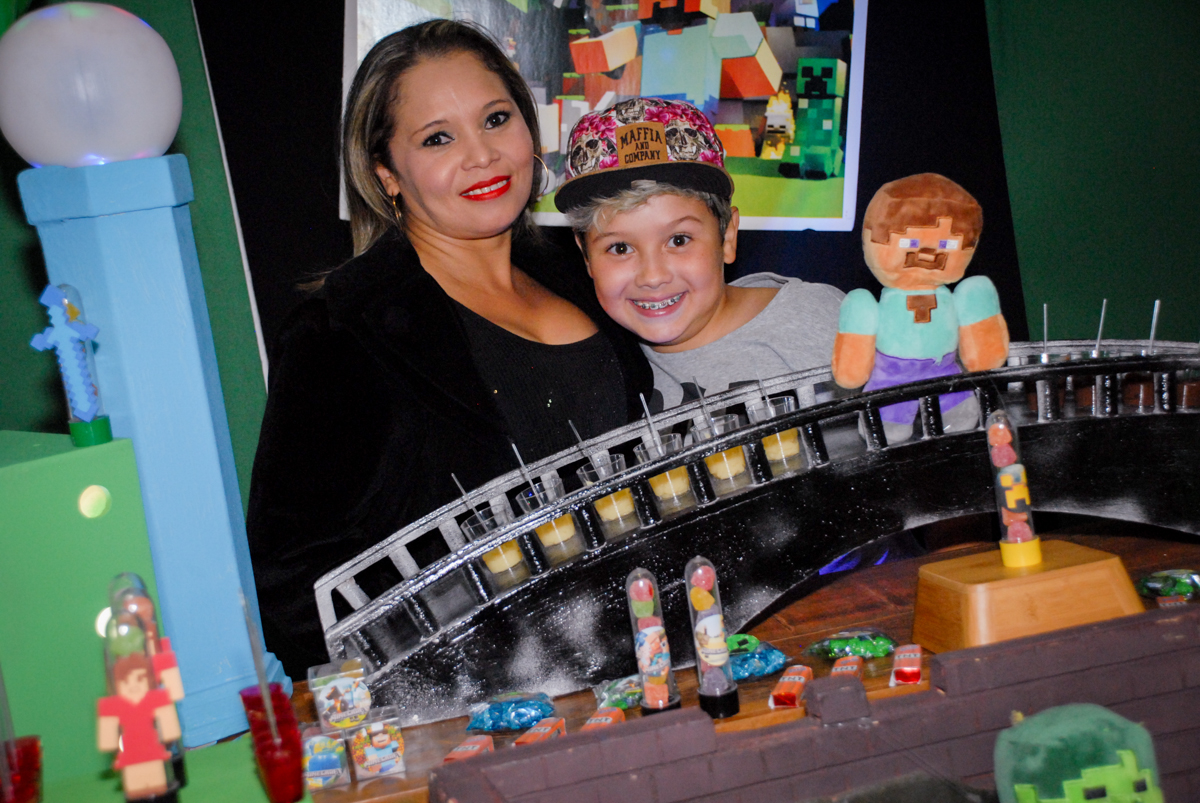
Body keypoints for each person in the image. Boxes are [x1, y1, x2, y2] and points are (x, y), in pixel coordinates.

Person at [246, 21, 652, 677]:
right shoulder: (343, 331)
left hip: (651, 662)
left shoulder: (589, 275)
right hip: (489, 718)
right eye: (438, 137)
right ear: (387, 174)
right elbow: (297, 590)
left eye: (496, 118)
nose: (483, 154)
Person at [555, 98, 843, 410]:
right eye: (620, 248)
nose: (653, 276)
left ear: (727, 236)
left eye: (679, 240)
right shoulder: (602, 370)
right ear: (585, 255)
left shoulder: (819, 320)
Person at [831, 173, 1009, 443]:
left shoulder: (964, 293)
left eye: (947, 244)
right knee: (886, 439)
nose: (928, 253)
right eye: (911, 243)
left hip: (945, 372)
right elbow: (853, 359)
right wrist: (852, 368)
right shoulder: (866, 303)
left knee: (958, 432)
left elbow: (984, 353)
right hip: (890, 377)